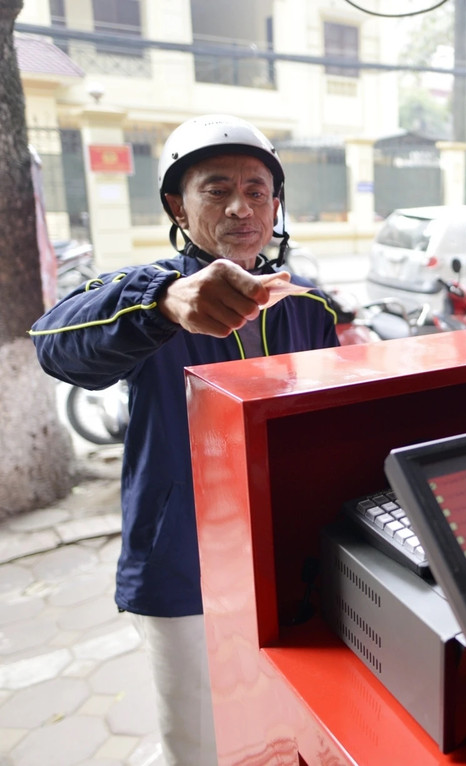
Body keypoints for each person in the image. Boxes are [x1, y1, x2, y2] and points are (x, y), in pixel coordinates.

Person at [29, 115, 342, 766]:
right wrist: (164, 304)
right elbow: (54, 344)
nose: (241, 207)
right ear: (178, 205)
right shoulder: (153, 298)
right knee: (199, 743)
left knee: (288, 730)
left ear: (275, 207)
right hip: (183, 566)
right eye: (216, 189)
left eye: (257, 191)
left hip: (293, 560)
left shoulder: (309, 308)